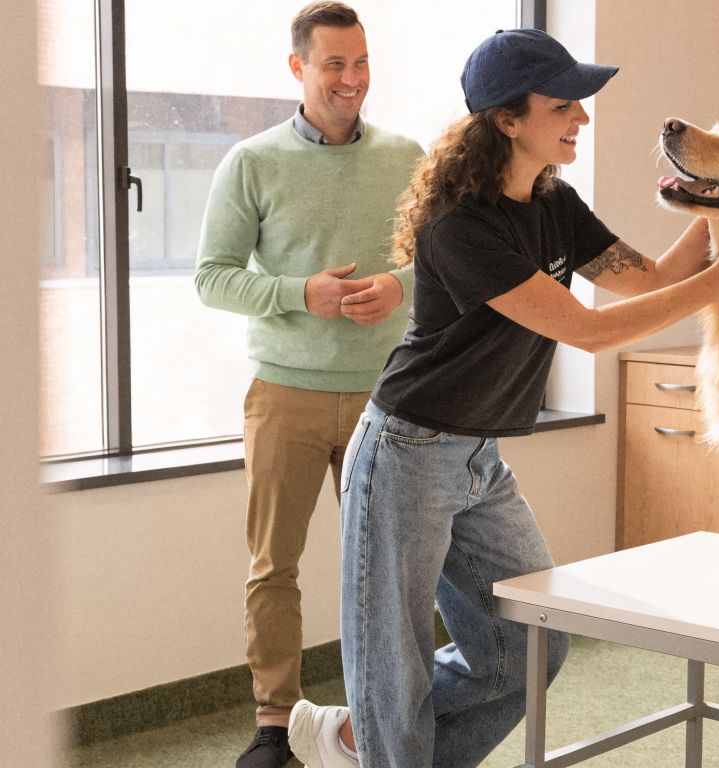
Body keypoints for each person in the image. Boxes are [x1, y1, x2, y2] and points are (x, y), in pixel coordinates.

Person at [285, 28, 719, 768]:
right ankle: (376, 736)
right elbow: (586, 331)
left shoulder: (553, 200)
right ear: (508, 121)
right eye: (564, 104)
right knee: (393, 676)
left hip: (477, 457)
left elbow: (647, 281)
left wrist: (716, 207)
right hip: (405, 453)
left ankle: (356, 740)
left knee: (531, 648)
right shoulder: (461, 225)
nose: (581, 117)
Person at [193, 3, 423, 767]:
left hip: (386, 397)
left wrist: (398, 285)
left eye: (361, 63)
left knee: (387, 570)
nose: (351, 79)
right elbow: (212, 278)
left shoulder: (407, 156)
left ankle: (378, 715)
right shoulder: (252, 162)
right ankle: (275, 722)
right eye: (334, 64)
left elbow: (446, 261)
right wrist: (301, 294)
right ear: (298, 68)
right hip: (284, 395)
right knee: (273, 566)